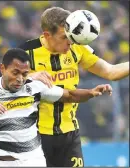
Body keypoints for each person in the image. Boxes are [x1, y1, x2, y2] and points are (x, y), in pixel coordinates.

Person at [0, 48, 112, 167]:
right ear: (2, 68)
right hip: (0, 162)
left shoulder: (35, 87)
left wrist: (92, 92)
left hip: (32, 161)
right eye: (15, 73)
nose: (20, 79)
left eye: (24, 74)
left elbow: (70, 95)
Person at [18, 7, 129, 167]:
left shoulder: (77, 48)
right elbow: (4, 85)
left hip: (69, 135)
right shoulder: (25, 52)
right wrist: (29, 77)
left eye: (71, 36)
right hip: (34, 136)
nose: (69, 41)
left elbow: (111, 72)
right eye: (64, 37)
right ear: (47, 35)